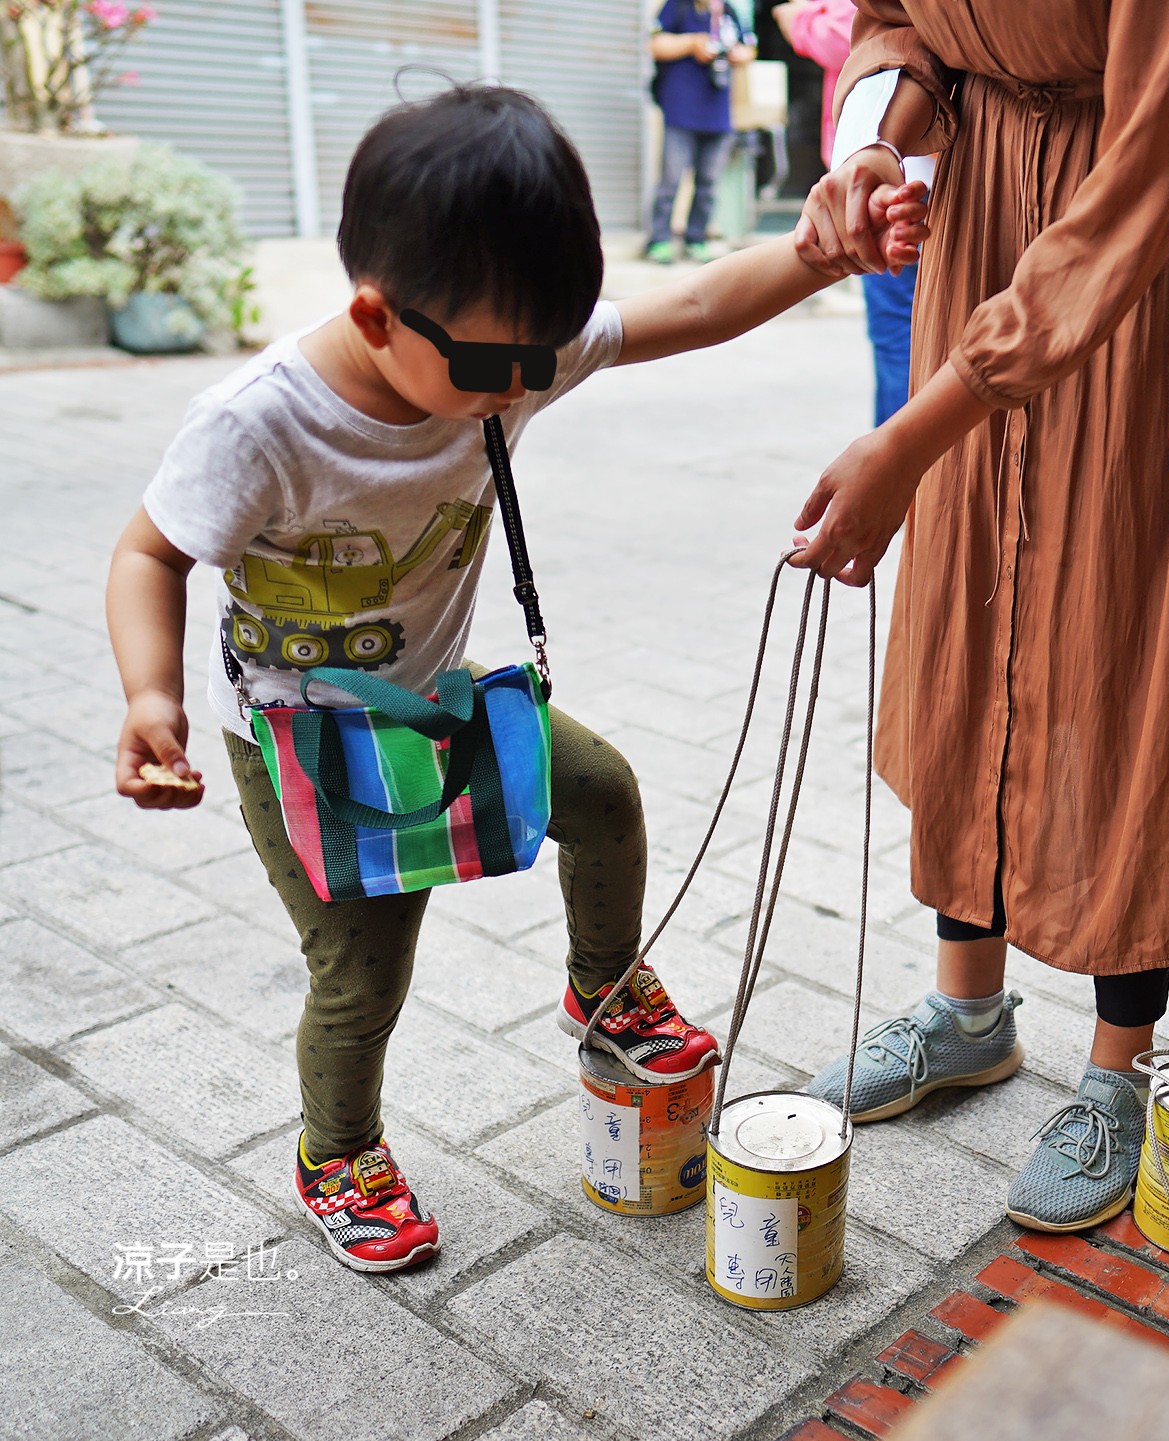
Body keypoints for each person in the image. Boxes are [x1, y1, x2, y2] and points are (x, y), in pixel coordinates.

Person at [106, 83, 927, 1273]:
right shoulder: (261, 426)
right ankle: (335, 1150)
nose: (518, 386)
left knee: (601, 793)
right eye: (497, 362)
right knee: (363, 964)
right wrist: (150, 698)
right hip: (304, 743)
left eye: (541, 352)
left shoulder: (502, 350)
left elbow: (690, 304)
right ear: (377, 317)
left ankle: (604, 988)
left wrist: (818, 256)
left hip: (437, 690)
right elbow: (148, 550)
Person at [793, 0, 1169, 1234]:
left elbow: (1153, 161)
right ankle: (969, 1012)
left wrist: (907, 437)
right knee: (973, 610)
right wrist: (872, 142)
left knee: (1129, 622)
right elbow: (902, 23)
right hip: (985, 222)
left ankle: (1118, 1066)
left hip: (1162, 237)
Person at [772, 0, 923, 424]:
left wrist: (801, 21)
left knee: (898, 335)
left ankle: (903, 468)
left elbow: (858, 37)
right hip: (879, 175)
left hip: (899, 178)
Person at [646, 0, 757, 263]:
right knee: (671, 180)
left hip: (718, 114)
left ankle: (696, 238)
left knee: (708, 183)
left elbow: (749, 49)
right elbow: (655, 45)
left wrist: (737, 54)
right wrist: (692, 43)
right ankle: (659, 240)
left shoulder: (729, 13)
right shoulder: (677, 6)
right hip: (681, 111)